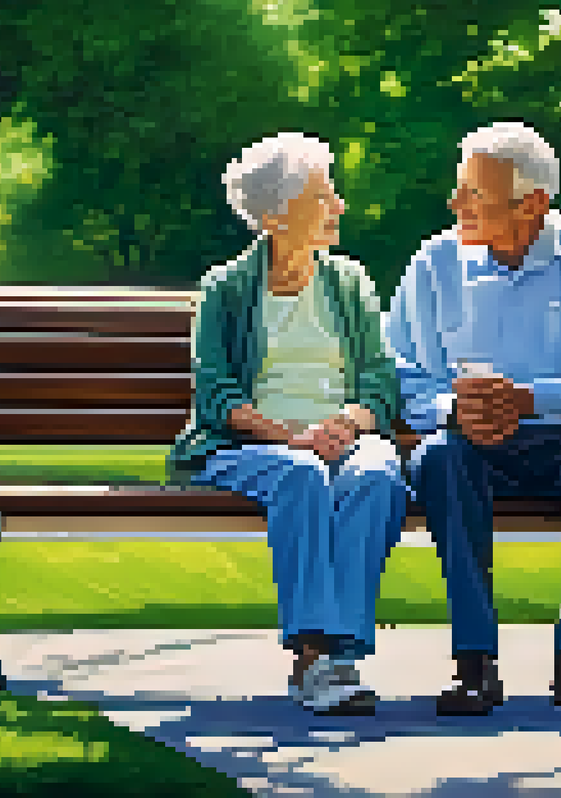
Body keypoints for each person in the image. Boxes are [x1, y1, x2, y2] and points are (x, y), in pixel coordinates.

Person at [386, 122, 561, 717]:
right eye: (459, 190)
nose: (455, 204)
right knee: (436, 455)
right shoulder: (433, 264)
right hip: (476, 449)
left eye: (473, 194)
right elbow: (402, 378)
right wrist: (454, 410)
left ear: (533, 202)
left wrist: (530, 399)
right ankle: (475, 662)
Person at [167, 132, 406, 716]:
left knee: (377, 474)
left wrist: (348, 424)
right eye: (323, 197)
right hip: (251, 445)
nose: (338, 206)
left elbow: (381, 380)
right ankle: (312, 655)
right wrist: (289, 436)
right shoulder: (225, 290)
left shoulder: (349, 282)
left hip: (343, 437)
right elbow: (216, 394)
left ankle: (338, 656)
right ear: (276, 217)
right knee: (299, 474)